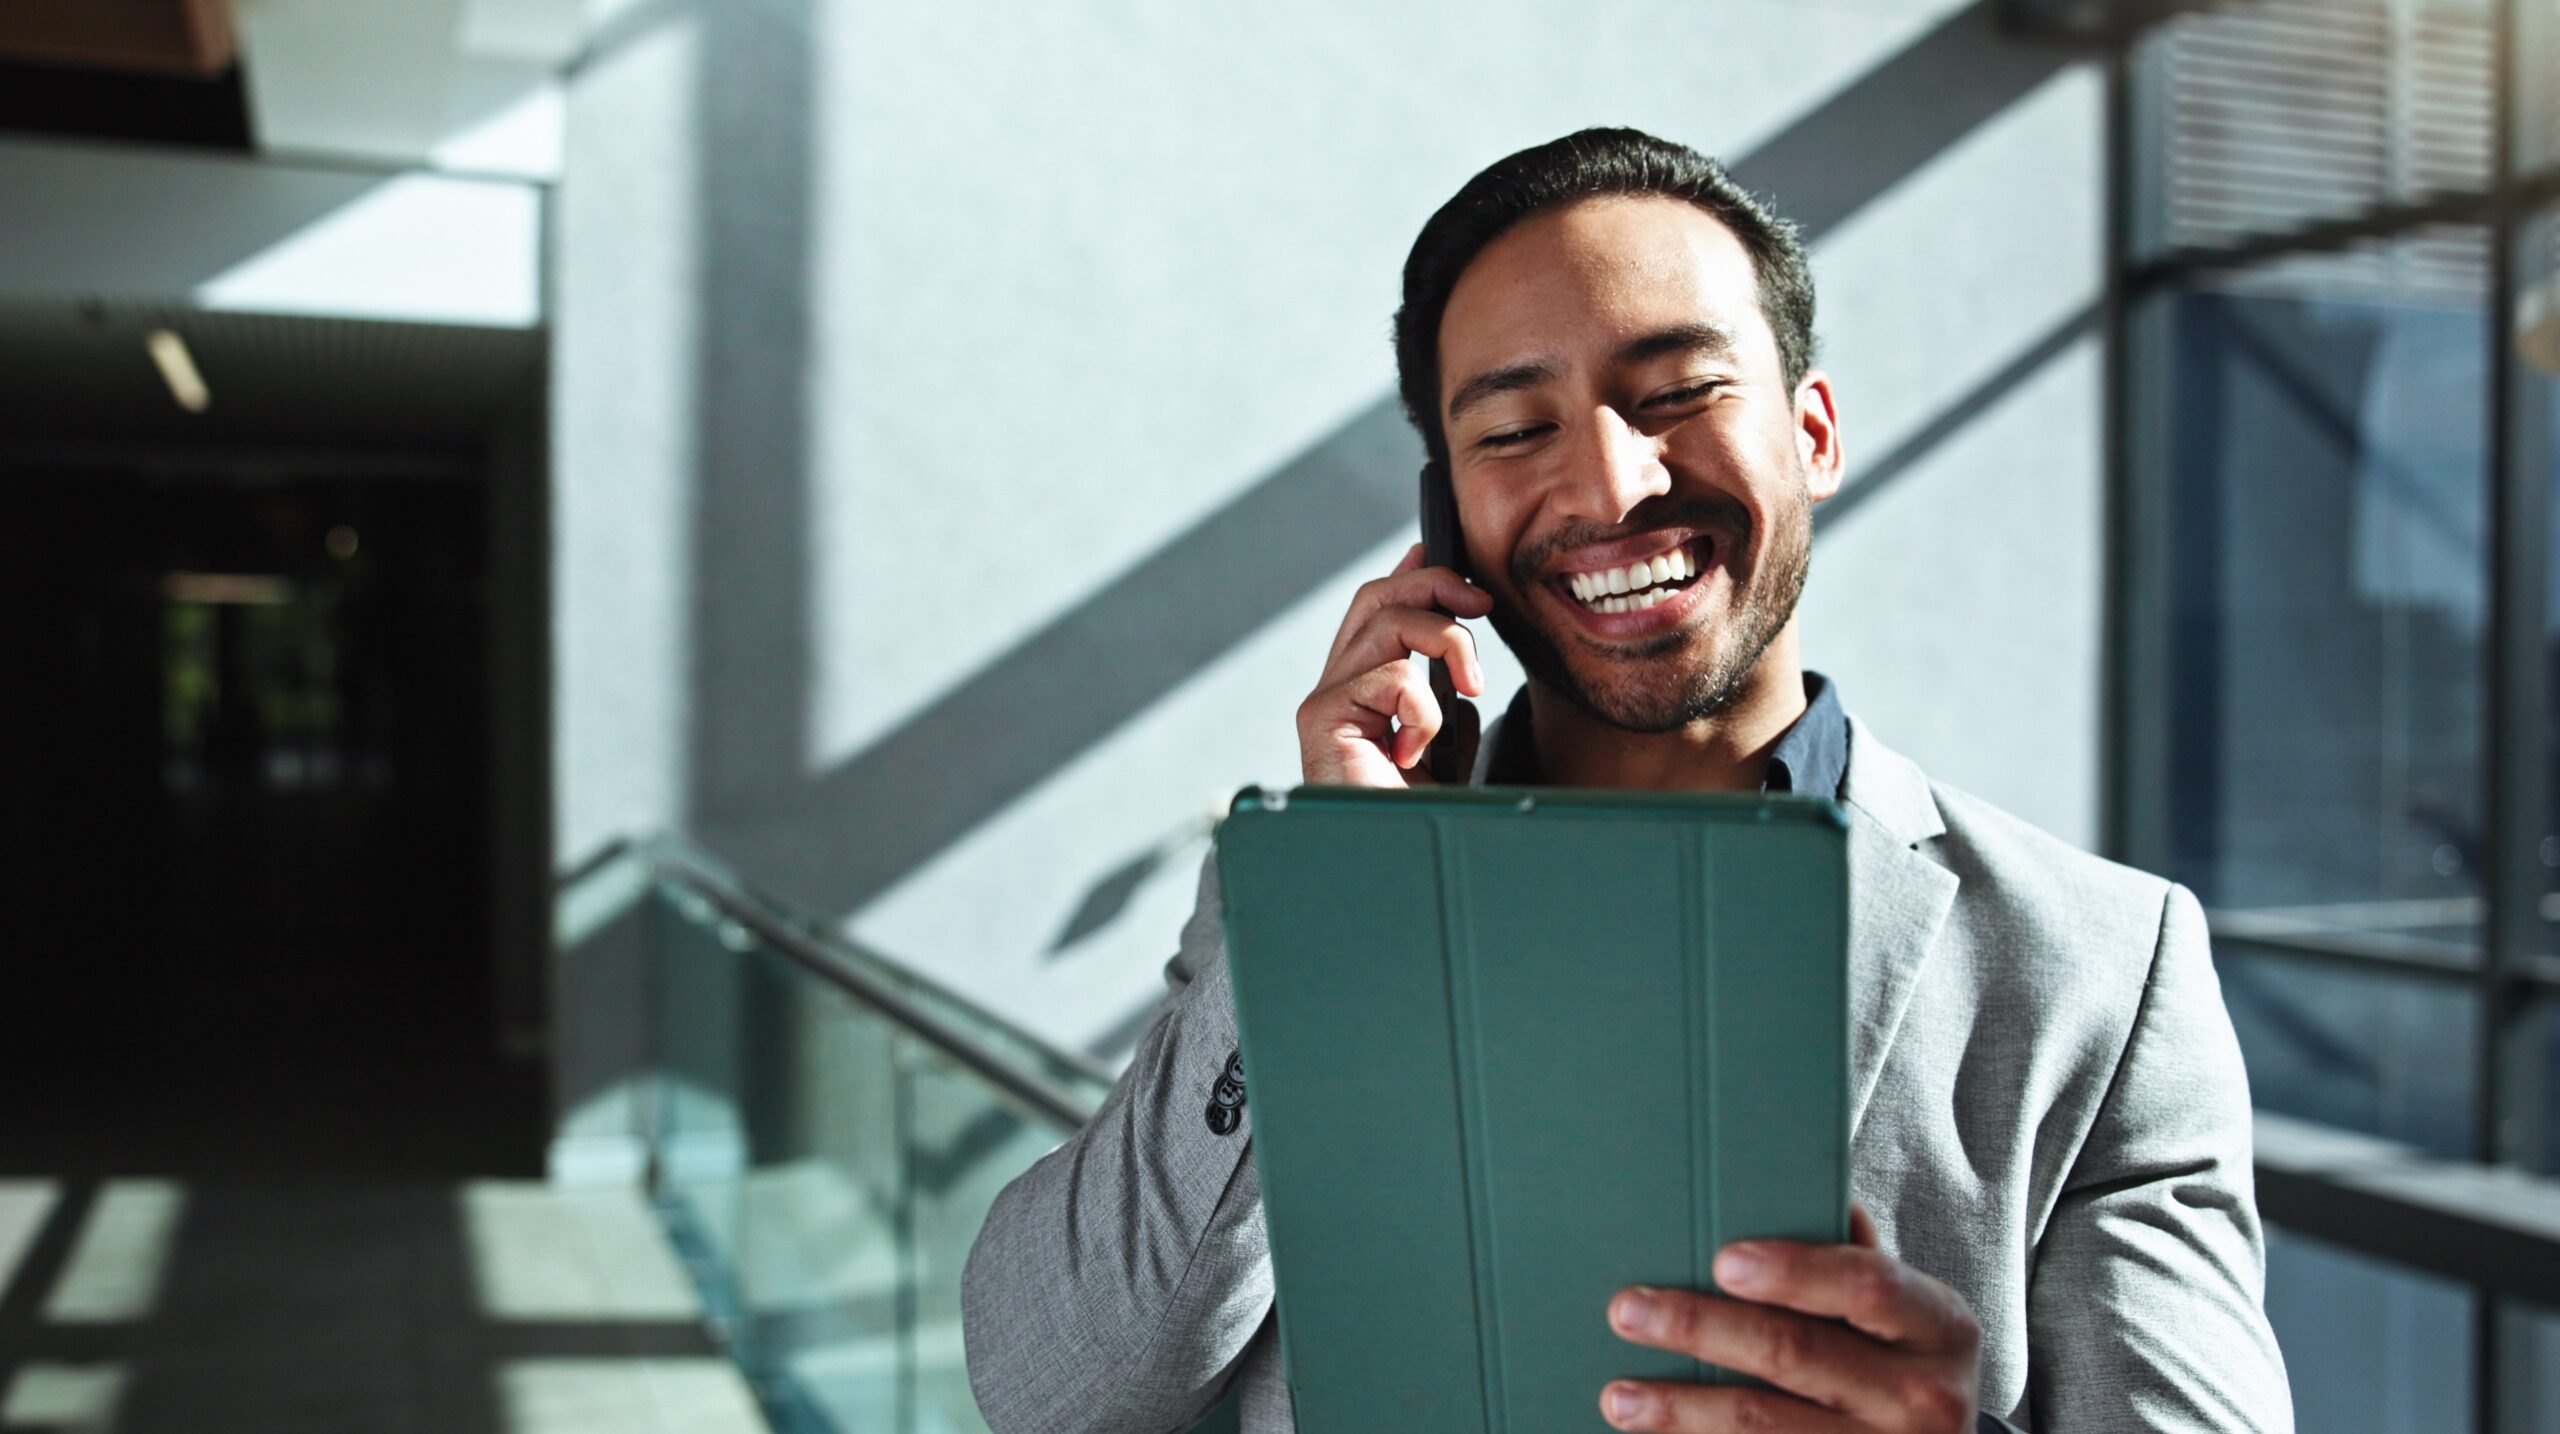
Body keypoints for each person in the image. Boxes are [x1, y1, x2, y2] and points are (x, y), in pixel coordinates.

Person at [961, 127, 2292, 1434]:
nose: (1609, 482)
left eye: (1677, 394)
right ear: (1449, 518)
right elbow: (1050, 1391)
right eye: (1516, 428)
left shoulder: (2105, 973)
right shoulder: (1305, 890)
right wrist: (1341, 905)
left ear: (1813, 431)